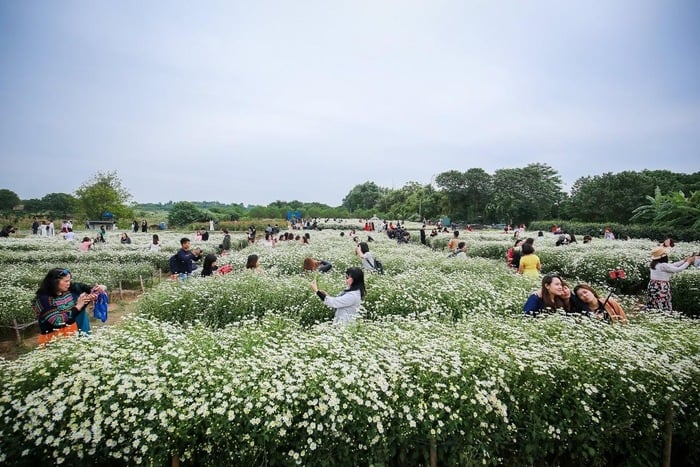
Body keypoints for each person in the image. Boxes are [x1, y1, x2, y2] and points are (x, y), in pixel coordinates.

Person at [32, 268, 107, 343]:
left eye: (69, 280)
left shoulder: (69, 289)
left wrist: (98, 289)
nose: (69, 283)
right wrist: (78, 306)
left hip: (72, 332)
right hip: (54, 338)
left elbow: (88, 289)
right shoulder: (44, 299)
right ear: (54, 282)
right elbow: (58, 321)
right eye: (66, 281)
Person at [646, 246, 695, 311]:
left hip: (653, 285)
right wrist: (688, 262)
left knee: (654, 301)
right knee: (662, 301)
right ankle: (663, 314)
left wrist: (684, 261)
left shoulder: (654, 264)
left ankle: (653, 313)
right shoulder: (663, 265)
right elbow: (677, 269)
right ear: (664, 257)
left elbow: (672, 265)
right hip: (661, 286)